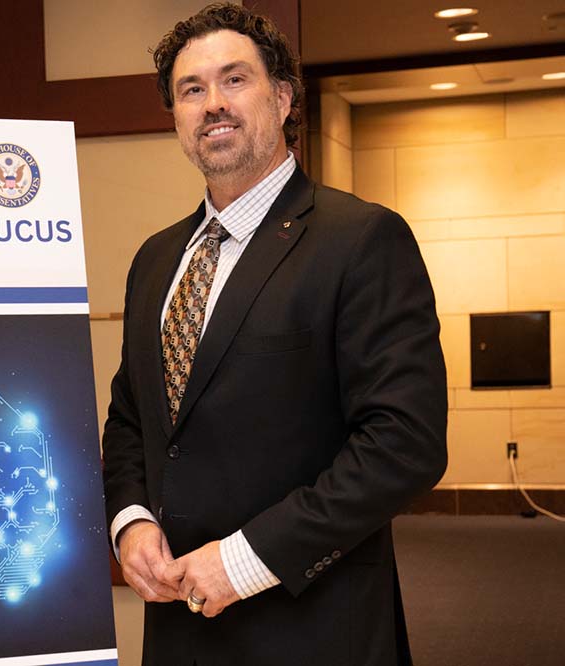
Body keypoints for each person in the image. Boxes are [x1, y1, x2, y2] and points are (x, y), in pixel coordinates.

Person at [100, 4, 448, 665]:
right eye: (191, 90)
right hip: (179, 628)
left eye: (235, 80)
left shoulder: (361, 239)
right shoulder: (155, 259)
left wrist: (244, 559)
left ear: (284, 97)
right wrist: (131, 520)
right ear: (175, 116)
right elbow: (131, 419)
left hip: (311, 624)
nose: (212, 105)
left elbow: (404, 444)